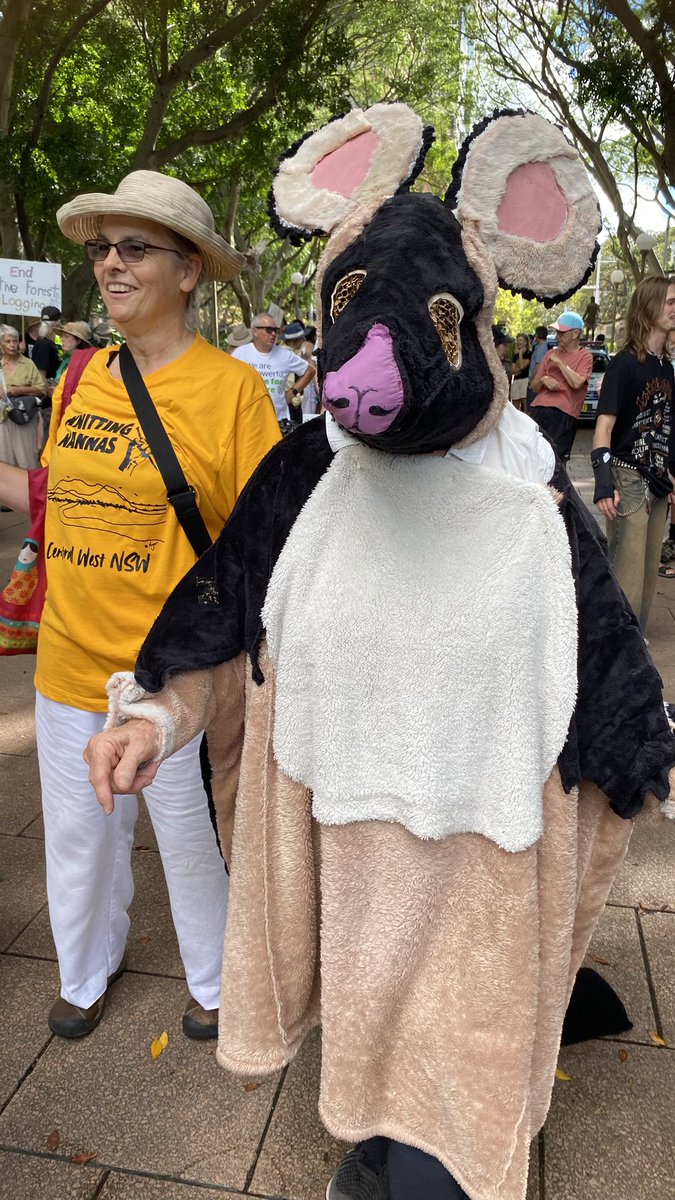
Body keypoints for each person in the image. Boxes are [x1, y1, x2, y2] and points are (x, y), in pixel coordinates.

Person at [84, 106, 675, 1200]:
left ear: (479, 322)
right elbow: (224, 602)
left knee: (461, 1068)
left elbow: (606, 646)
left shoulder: (526, 484)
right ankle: (387, 1134)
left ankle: (435, 1157)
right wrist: (154, 713)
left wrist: (641, 752)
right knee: (368, 1032)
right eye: (347, 304)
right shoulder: (314, 467)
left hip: (485, 847)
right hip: (349, 834)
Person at [0, 169, 280, 1042]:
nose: (110, 265)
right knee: (79, 838)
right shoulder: (80, 375)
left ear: (190, 270)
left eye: (134, 248)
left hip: (173, 675)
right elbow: (59, 495)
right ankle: (84, 969)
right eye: (100, 249)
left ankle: (215, 979)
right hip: (68, 659)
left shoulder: (232, 391)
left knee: (193, 840)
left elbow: (265, 539)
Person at [591, 276, 675, 630]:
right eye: (670, 301)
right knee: (625, 575)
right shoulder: (623, 364)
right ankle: (617, 649)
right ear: (649, 306)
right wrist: (603, 483)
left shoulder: (665, 367)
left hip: (657, 482)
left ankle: (633, 643)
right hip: (628, 478)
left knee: (645, 577)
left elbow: (665, 428)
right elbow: (603, 429)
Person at [231, 312, 315, 430]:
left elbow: (310, 371)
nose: (273, 334)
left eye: (276, 330)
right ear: (255, 331)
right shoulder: (240, 354)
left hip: (278, 423)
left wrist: (292, 392)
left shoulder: (285, 355)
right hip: (248, 423)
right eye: (269, 330)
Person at [530, 311, 593, 460]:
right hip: (540, 410)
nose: (557, 336)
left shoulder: (585, 356)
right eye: (557, 332)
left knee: (556, 461)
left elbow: (577, 383)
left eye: (561, 333)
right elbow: (534, 386)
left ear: (575, 334)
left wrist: (559, 362)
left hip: (563, 415)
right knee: (535, 458)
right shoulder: (549, 354)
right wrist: (544, 379)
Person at [0, 324, 46, 469]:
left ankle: (29, 490)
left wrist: (19, 390)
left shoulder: (27, 363)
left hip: (24, 417)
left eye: (15, 341)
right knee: (5, 461)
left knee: (27, 460)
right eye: (8, 341)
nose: (12, 345)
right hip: (2, 418)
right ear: (0, 344)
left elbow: (41, 390)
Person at [284, 319, 318, 419]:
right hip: (290, 403)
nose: (303, 341)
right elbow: (290, 382)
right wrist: (295, 399)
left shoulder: (280, 354)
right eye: (301, 339)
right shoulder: (289, 356)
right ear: (295, 341)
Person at [510, 332, 531, 412]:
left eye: (520, 340)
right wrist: (518, 370)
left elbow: (522, 366)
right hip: (515, 381)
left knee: (525, 406)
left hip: (524, 380)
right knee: (515, 407)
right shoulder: (515, 355)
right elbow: (512, 370)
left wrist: (520, 354)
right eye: (517, 340)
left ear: (525, 342)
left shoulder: (529, 353)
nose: (518, 342)